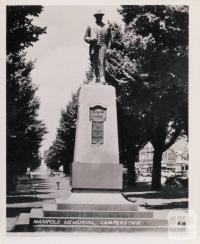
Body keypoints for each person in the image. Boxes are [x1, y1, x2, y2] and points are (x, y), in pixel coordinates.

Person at [84, 10, 111, 84]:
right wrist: (91, 39)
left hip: (103, 46)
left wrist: (108, 48)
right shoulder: (90, 26)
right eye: (97, 16)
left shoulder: (107, 27)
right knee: (94, 62)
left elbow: (109, 39)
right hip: (94, 46)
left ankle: (102, 78)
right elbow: (85, 37)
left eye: (101, 16)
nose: (99, 17)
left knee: (102, 62)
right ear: (95, 17)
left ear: (102, 16)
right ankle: (95, 78)